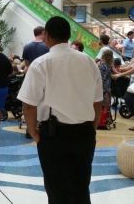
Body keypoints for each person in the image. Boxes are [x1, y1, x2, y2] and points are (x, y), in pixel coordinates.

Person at [18, 16, 103, 204]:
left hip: (53, 135)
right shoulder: (89, 62)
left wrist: (34, 133)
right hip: (85, 133)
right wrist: (92, 127)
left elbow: (29, 104)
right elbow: (98, 101)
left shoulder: (41, 64)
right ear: (69, 36)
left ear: (46, 35)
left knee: (56, 189)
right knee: (81, 185)